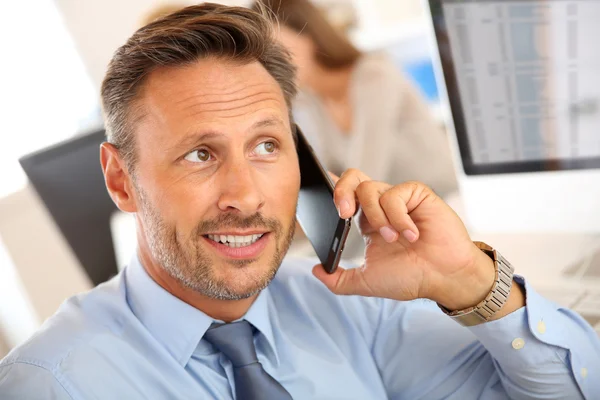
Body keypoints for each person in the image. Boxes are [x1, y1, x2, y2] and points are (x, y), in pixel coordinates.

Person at [0, 4, 598, 399]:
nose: (245, 195)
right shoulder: (48, 384)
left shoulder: (348, 307)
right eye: (199, 155)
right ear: (121, 180)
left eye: (266, 146)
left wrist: (470, 281)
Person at [253, 0, 458, 197]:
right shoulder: (307, 100)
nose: (272, 68)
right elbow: (326, 176)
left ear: (309, 36)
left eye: (277, 49)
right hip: (387, 214)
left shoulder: (375, 76)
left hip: (441, 201)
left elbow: (363, 179)